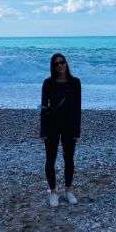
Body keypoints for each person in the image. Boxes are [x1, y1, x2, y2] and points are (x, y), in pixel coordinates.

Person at [40, 52, 81, 207]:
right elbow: (44, 107)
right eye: (56, 64)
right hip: (52, 125)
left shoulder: (75, 83)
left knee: (69, 158)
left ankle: (69, 190)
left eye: (62, 62)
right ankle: (53, 192)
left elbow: (77, 108)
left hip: (69, 125)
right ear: (53, 66)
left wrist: (77, 131)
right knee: (50, 159)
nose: (60, 66)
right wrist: (43, 130)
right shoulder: (48, 83)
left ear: (66, 63)